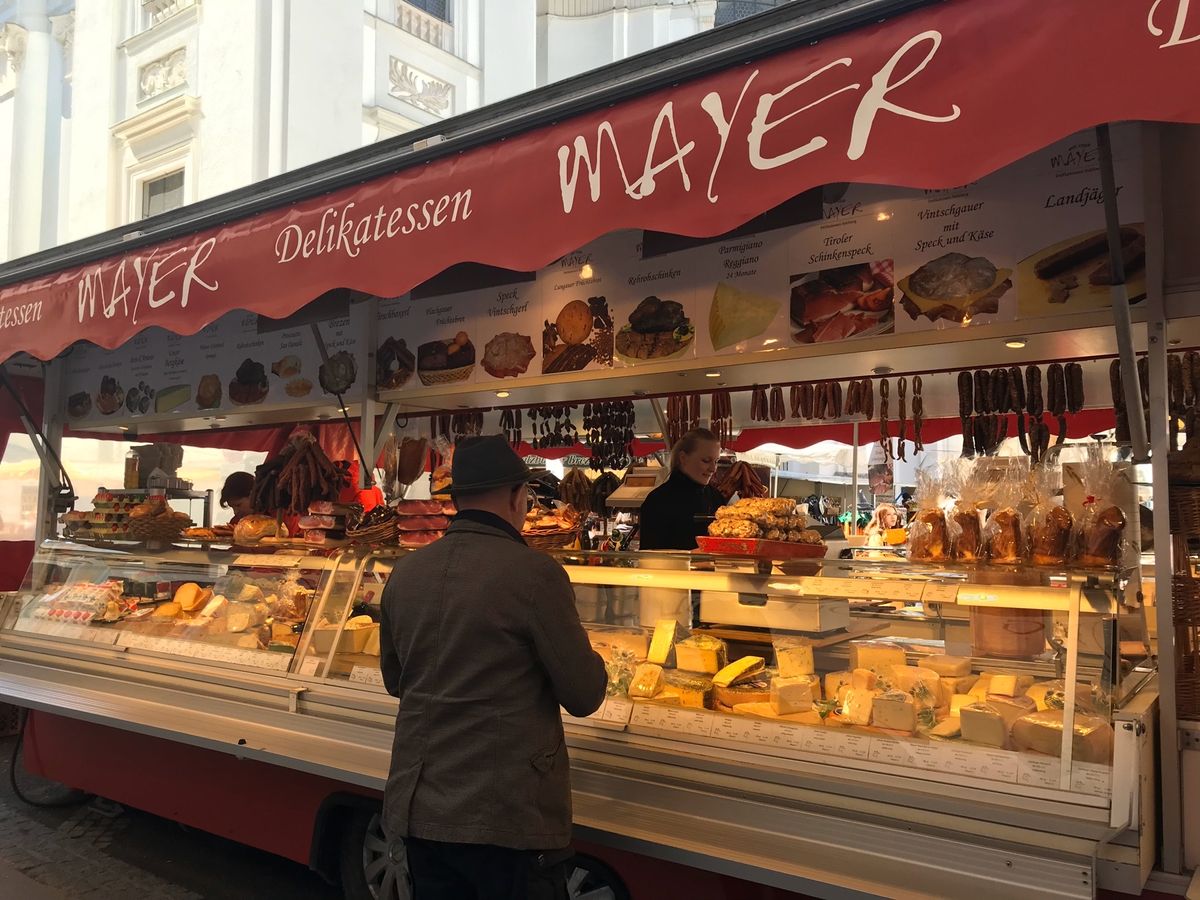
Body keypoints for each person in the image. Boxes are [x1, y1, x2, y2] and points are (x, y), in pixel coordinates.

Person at [378, 434, 607, 900]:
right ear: (517, 497)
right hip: (505, 814)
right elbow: (584, 696)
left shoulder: (406, 572)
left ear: (457, 501)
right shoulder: (535, 574)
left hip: (421, 804)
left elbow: (395, 679)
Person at [638, 428, 726, 551]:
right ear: (683, 458)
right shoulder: (658, 501)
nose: (713, 469)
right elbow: (650, 556)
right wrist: (691, 557)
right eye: (706, 461)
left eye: (716, 461)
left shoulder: (716, 497)